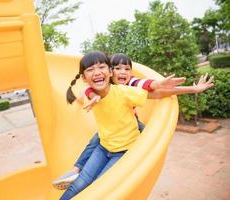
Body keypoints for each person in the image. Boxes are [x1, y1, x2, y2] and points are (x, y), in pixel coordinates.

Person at [53, 53, 214, 191]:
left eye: (127, 69)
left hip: (130, 122)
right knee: (96, 139)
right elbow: (85, 90)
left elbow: (154, 88)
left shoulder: (129, 84)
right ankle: (76, 169)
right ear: (111, 70)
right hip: (110, 131)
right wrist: (90, 93)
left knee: (145, 135)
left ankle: (139, 157)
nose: (122, 72)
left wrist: (193, 89)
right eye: (118, 68)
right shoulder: (99, 84)